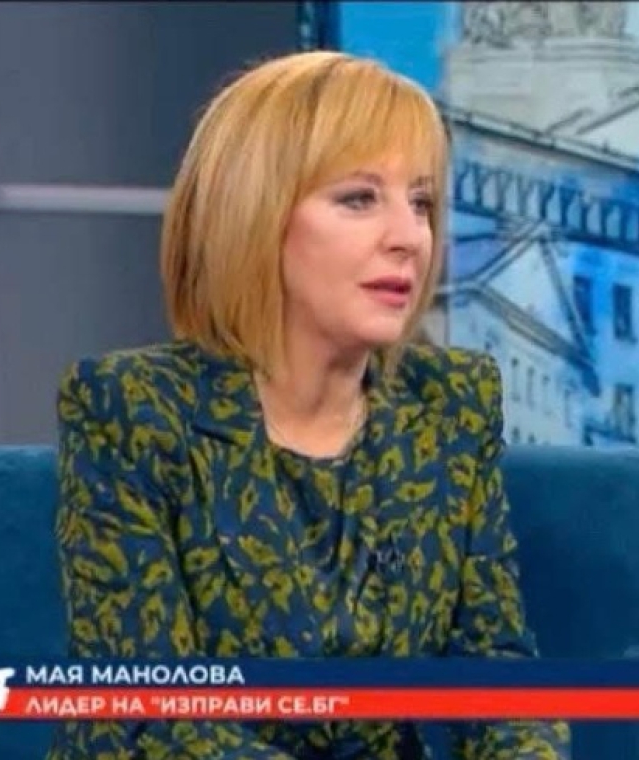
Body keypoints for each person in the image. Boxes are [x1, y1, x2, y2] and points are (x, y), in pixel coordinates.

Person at [48, 50, 572, 760]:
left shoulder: (451, 403)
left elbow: (495, 668)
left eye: (421, 203)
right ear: (254, 215)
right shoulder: (133, 409)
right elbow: (153, 715)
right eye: (359, 199)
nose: (408, 237)